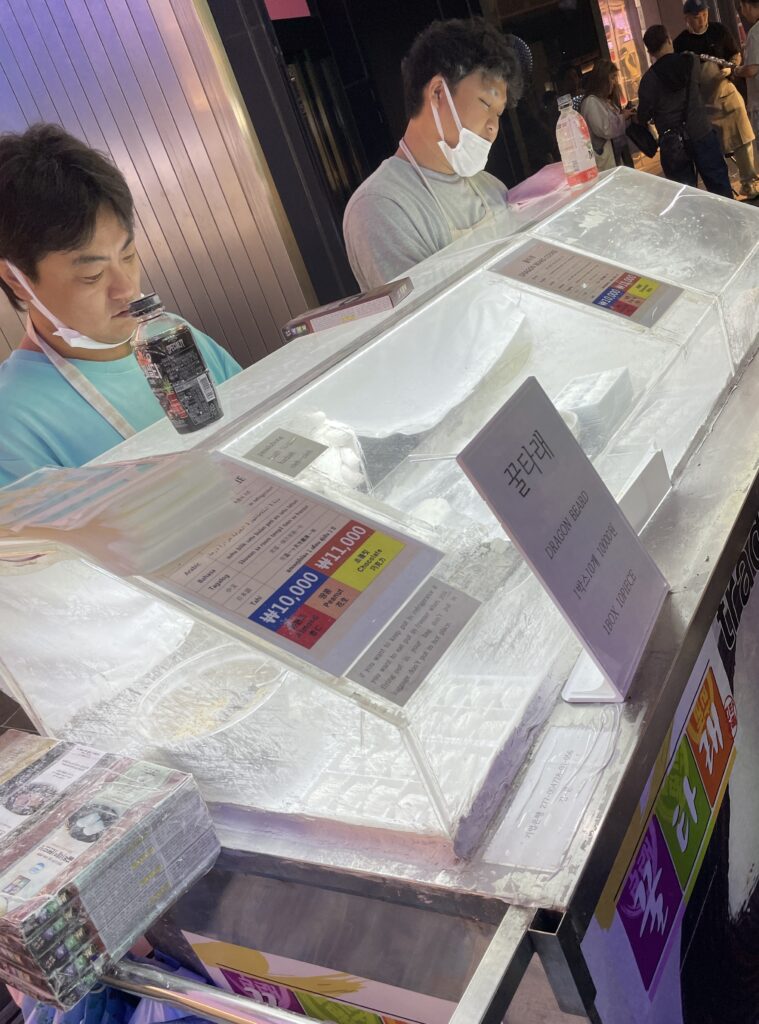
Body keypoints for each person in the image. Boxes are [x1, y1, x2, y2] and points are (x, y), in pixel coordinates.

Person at [0, 124, 241, 487]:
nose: (127, 289)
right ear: (17, 279)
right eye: (92, 275)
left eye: (128, 255)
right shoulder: (13, 424)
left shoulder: (172, 339)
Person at [342, 18, 522, 291]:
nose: (493, 126)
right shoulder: (379, 206)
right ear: (438, 92)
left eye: (498, 113)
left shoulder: (491, 187)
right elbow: (430, 323)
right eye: (486, 103)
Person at [673, 0, 759, 198]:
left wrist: (731, 68)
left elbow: (736, 54)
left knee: (743, 141)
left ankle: (750, 184)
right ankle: (724, 193)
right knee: (712, 152)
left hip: (727, 95)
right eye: (696, 16)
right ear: (686, 18)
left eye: (704, 14)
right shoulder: (681, 43)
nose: (701, 19)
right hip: (703, 106)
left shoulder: (719, 31)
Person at [638, 25, 733, 197]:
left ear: (650, 52)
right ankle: (729, 221)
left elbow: (643, 114)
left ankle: (697, 223)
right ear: (668, 40)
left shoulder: (648, 81)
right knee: (720, 188)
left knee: (685, 197)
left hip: (673, 143)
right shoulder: (691, 61)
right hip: (701, 131)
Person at [579, 60, 634, 170]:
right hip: (607, 163)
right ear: (603, 79)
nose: (615, 82)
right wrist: (623, 117)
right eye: (612, 77)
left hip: (617, 157)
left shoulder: (604, 100)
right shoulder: (591, 102)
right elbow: (605, 129)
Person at [733, 0, 759, 159]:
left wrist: (737, 70)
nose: (742, 12)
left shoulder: (755, 33)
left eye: (742, 7)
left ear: (748, 5)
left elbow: (752, 69)